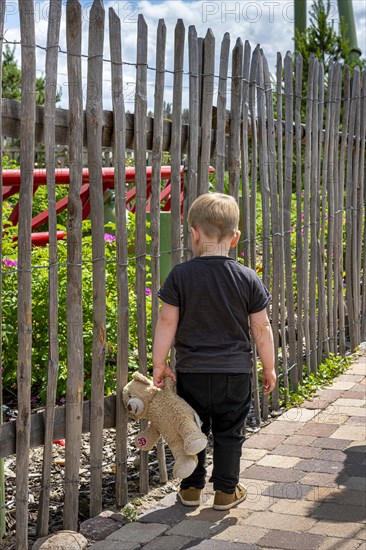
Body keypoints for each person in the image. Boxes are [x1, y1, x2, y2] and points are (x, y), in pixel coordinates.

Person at [152, 192, 276, 511]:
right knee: (229, 432)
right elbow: (261, 329)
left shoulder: (181, 275)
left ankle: (191, 489)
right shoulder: (248, 278)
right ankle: (225, 491)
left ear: (193, 233)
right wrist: (269, 366)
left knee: (192, 430)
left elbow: (167, 320)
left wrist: (159, 363)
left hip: (193, 373)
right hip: (234, 374)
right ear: (235, 238)